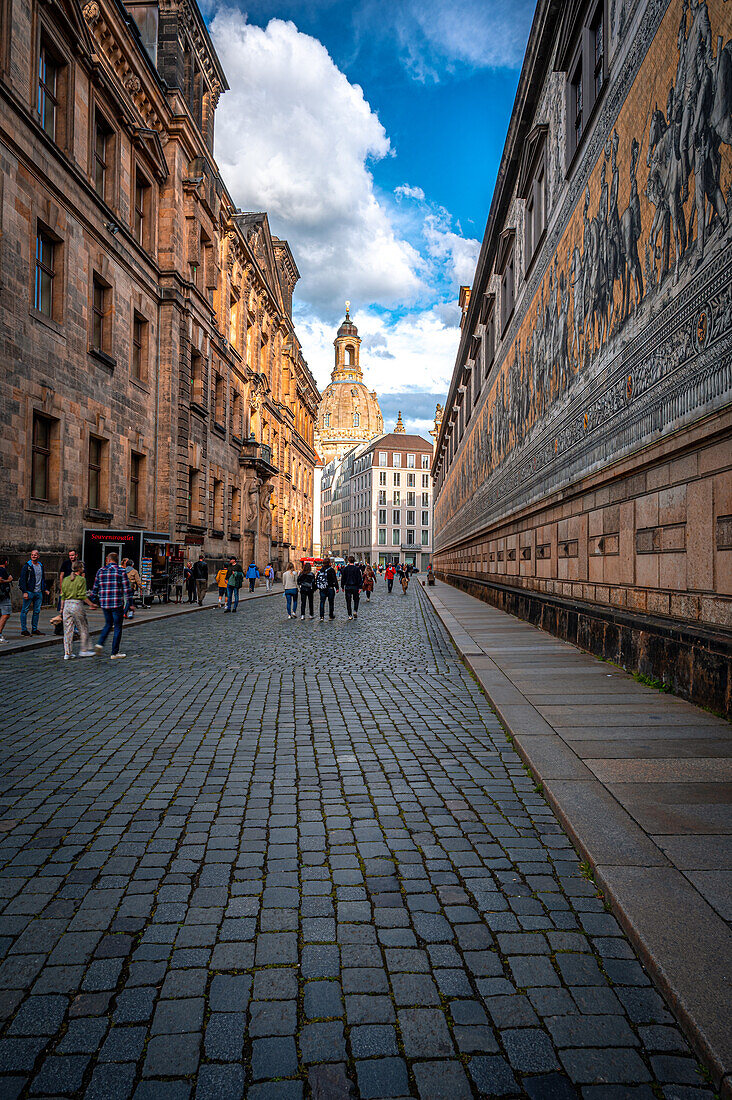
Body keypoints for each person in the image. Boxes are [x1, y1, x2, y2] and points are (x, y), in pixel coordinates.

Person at [88, 551, 132, 659]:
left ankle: (99, 644)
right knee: (117, 627)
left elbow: (95, 588)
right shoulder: (121, 570)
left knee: (108, 624)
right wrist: (130, 603)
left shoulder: (101, 571)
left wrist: (92, 601)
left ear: (108, 560)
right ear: (117, 560)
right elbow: (127, 589)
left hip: (104, 603)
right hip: (116, 603)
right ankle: (114, 652)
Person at [61, 560, 95, 660]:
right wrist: (91, 604)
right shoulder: (81, 580)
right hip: (76, 604)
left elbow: (63, 595)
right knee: (83, 627)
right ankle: (84, 650)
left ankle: (67, 652)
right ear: (80, 569)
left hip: (67, 605)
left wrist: (61, 608)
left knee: (67, 630)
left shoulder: (66, 579)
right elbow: (82, 595)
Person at [19, 549, 50, 636]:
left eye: (35, 555)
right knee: (25, 610)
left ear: (38, 556)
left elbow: (43, 579)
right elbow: (22, 579)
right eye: (32, 555)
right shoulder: (27, 566)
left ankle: (34, 629)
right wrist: (24, 591)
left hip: (39, 592)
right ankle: (24, 630)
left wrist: (45, 589)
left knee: (37, 611)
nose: (33, 556)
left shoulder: (40, 566)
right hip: (29, 591)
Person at [340, 556, 362, 621]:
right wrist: (360, 587)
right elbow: (359, 578)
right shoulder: (357, 569)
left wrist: (342, 586)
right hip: (355, 586)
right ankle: (355, 610)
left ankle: (349, 615)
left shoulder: (345, 569)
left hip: (348, 586)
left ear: (348, 561)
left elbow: (343, 578)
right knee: (356, 599)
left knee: (348, 601)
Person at [0, 556, 13, 643]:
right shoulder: (2, 569)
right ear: (6, 562)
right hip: (2, 594)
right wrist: (8, 580)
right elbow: (0, 580)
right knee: (6, 614)